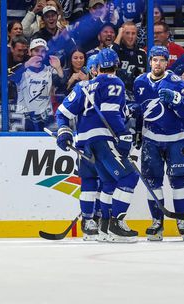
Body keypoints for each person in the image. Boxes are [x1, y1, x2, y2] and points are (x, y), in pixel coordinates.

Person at [56, 48, 140, 242]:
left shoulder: (82, 87)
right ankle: (115, 225)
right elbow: (111, 113)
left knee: (106, 182)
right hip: (102, 140)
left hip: (85, 143)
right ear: (117, 65)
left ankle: (101, 227)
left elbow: (62, 113)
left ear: (96, 68)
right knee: (129, 178)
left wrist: (64, 131)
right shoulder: (114, 81)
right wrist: (124, 136)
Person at [132, 46, 184, 241]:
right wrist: (138, 132)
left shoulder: (176, 82)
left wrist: (176, 99)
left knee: (178, 182)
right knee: (153, 183)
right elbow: (141, 112)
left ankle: (181, 221)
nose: (158, 63)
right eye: (155, 60)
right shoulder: (140, 82)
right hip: (151, 140)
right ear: (150, 61)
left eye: (161, 60)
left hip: (176, 140)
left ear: (167, 62)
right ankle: (157, 222)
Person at [55, 55, 100, 240]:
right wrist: (64, 131)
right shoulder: (83, 89)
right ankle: (89, 220)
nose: (98, 71)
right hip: (87, 143)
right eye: (95, 68)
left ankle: (103, 218)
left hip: (109, 144)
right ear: (90, 69)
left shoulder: (115, 88)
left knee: (107, 184)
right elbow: (62, 113)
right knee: (89, 181)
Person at [10, 38, 64, 131]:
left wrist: (58, 68)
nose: (39, 53)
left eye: (42, 51)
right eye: (36, 50)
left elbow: (63, 84)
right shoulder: (22, 69)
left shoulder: (50, 70)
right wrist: (27, 64)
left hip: (46, 118)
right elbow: (9, 77)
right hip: (25, 118)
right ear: (29, 52)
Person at [112, 21, 146, 103]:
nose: (130, 36)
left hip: (137, 96)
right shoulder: (116, 51)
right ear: (122, 34)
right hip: (118, 95)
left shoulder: (142, 53)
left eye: (133, 33)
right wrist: (119, 35)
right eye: (127, 33)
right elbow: (111, 56)